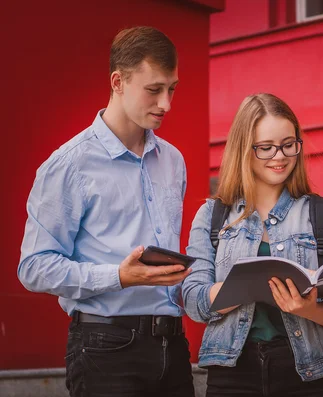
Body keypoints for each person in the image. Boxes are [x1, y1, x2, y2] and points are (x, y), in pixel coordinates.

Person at [17, 26, 194, 397]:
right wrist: (119, 276)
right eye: (154, 90)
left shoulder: (173, 161)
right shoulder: (69, 165)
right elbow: (33, 267)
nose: (167, 104)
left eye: (172, 89)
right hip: (105, 348)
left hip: (173, 345)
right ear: (118, 81)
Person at [183, 93, 323, 397]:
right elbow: (194, 300)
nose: (280, 156)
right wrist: (243, 287)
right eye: (266, 148)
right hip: (233, 374)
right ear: (244, 150)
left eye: (288, 144)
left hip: (309, 375)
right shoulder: (212, 216)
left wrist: (308, 308)